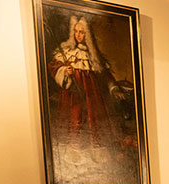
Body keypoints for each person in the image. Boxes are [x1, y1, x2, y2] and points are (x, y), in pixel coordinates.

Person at [48, 15, 125, 154]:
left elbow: (105, 76)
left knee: (93, 122)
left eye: (82, 32)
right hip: (73, 97)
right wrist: (65, 71)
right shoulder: (67, 52)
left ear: (87, 34)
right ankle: (75, 153)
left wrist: (114, 89)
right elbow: (54, 67)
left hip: (92, 97)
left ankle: (96, 152)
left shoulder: (93, 56)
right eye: (76, 31)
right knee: (76, 119)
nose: (78, 35)